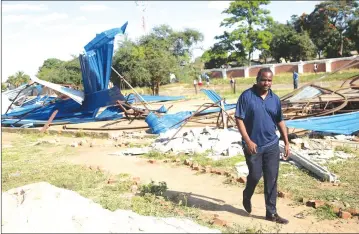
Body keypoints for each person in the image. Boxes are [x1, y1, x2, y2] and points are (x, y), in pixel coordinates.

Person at [235, 67, 290, 224]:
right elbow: (239, 119)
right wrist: (248, 140)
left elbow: (280, 120)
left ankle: (271, 213)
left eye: (269, 80)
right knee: (255, 175)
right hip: (253, 145)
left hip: (272, 144)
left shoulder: (275, 99)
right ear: (257, 79)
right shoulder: (247, 96)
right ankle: (247, 194)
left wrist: (286, 142)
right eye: (264, 79)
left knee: (271, 179)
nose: (266, 83)